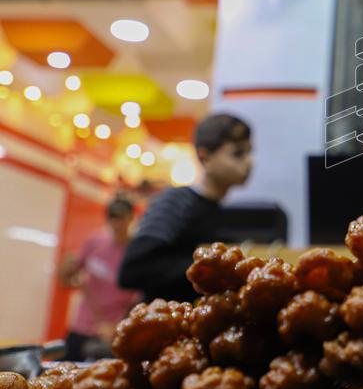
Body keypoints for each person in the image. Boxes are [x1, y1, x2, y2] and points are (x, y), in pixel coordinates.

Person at [118, 113, 253, 302]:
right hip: (162, 323)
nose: (249, 161)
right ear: (205, 156)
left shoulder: (222, 212)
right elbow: (134, 269)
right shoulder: (177, 202)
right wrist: (211, 266)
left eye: (249, 152)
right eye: (237, 153)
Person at [58, 196, 140, 361]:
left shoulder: (136, 253)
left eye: (121, 218)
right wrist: (66, 269)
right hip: (81, 327)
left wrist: (116, 327)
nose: (116, 223)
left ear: (131, 218)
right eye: (112, 217)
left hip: (111, 334)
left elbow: (139, 300)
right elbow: (66, 279)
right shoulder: (95, 241)